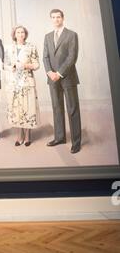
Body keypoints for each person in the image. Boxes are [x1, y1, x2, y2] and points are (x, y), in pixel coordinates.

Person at [43, 9, 81, 154]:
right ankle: (59, 137)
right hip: (52, 79)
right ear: (51, 19)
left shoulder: (71, 35)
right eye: (53, 17)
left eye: (58, 17)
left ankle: (76, 142)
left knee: (72, 109)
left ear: (63, 18)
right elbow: (45, 57)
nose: (56, 19)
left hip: (68, 77)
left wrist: (59, 73)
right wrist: (50, 73)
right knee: (57, 108)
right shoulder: (47, 36)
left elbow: (72, 57)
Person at [5, 25, 40, 146]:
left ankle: (28, 136)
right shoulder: (9, 48)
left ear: (25, 34)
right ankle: (20, 135)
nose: (20, 34)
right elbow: (5, 65)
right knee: (17, 109)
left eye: (22, 32)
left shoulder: (31, 47)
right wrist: (12, 67)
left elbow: (36, 65)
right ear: (14, 34)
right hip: (14, 83)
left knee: (28, 108)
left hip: (27, 82)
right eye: (18, 32)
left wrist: (26, 65)